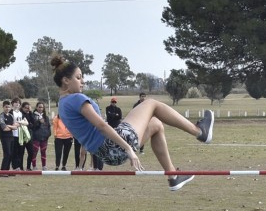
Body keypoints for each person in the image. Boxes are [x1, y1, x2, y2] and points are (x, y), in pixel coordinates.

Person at [51, 55, 213, 190]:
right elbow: (101, 125)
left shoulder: (62, 104)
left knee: (156, 125)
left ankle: (173, 176)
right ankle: (199, 132)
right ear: (66, 80)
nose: (83, 81)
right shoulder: (77, 99)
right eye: (78, 78)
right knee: (151, 103)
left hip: (107, 155)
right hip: (115, 146)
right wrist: (128, 148)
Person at [0, 100, 19, 176]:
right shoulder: (1, 116)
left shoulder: (11, 116)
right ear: (3, 107)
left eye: (9, 107)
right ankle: (3, 171)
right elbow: (4, 128)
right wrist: (11, 127)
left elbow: (16, 127)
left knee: (11, 154)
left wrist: (9, 126)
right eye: (6, 107)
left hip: (11, 137)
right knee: (7, 154)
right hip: (4, 138)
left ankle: (8, 171)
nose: (7, 108)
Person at [30, 101, 51, 170]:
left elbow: (48, 127)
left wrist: (48, 134)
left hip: (44, 138)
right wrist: (39, 122)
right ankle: (34, 166)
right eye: (39, 107)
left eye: (42, 107)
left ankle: (44, 166)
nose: (40, 108)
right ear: (36, 107)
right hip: (36, 138)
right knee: (34, 152)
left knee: (43, 152)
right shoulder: (33, 116)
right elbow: (32, 127)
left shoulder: (46, 117)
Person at [20, 101, 35, 170]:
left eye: (28, 108)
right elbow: (23, 124)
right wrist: (29, 124)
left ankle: (28, 167)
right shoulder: (20, 114)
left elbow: (34, 123)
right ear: (22, 108)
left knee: (31, 152)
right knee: (21, 153)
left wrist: (31, 112)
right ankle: (21, 167)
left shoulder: (30, 114)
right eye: (26, 108)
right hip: (22, 136)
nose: (27, 109)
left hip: (29, 136)